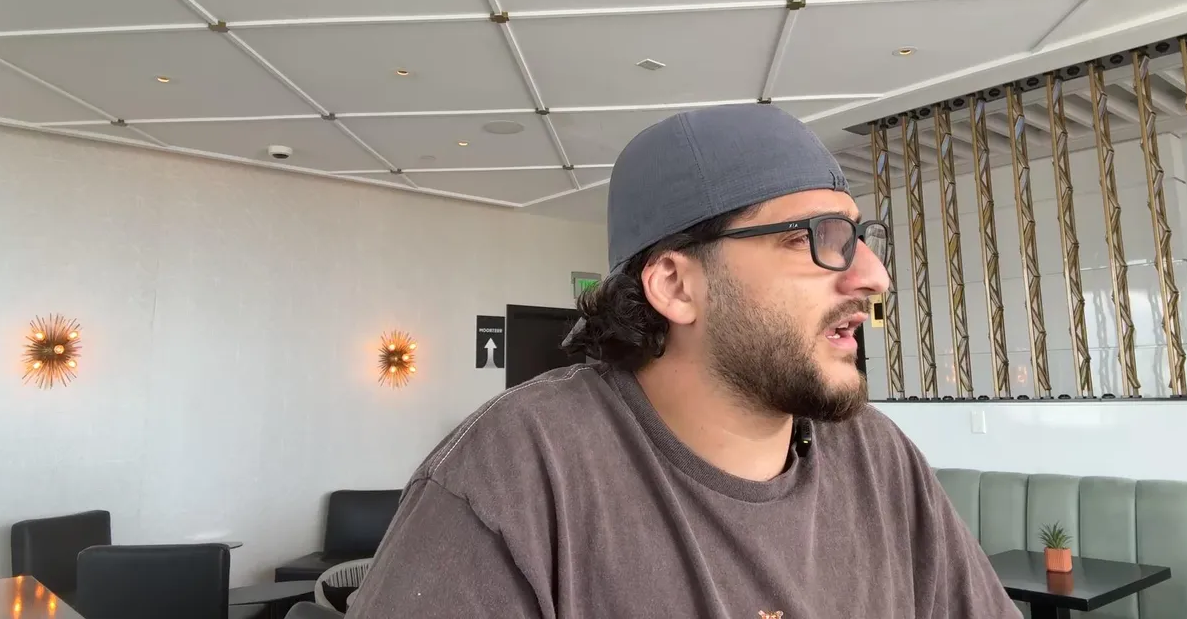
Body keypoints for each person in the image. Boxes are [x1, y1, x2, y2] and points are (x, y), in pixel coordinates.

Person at [347, 105, 1018, 618]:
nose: (874, 276)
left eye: (860, 238)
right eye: (815, 237)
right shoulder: (515, 474)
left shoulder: (876, 456)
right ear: (675, 285)